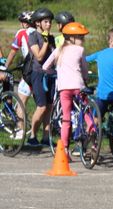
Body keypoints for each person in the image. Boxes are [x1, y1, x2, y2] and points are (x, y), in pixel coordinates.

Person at [41, 22, 89, 153]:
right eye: (81, 37)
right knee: (86, 112)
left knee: (66, 118)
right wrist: (86, 79)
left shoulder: (58, 49)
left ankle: (65, 149)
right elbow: (84, 69)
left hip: (64, 88)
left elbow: (45, 67)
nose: (83, 40)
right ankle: (93, 131)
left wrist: (55, 73)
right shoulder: (80, 50)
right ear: (71, 38)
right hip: (78, 86)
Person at [24, 7, 55, 146]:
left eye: (50, 22)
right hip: (37, 74)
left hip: (51, 74)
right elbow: (39, 56)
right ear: (38, 23)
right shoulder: (34, 36)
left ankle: (46, 137)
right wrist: (46, 41)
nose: (49, 25)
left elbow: (55, 56)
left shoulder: (51, 37)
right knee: (41, 107)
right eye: (46, 22)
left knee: (49, 106)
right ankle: (32, 136)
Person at [5, 11, 34, 138]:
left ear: (24, 23)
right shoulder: (39, 32)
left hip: (30, 69)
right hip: (43, 70)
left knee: (21, 100)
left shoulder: (21, 33)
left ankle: (20, 131)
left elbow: (13, 52)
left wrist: (5, 67)